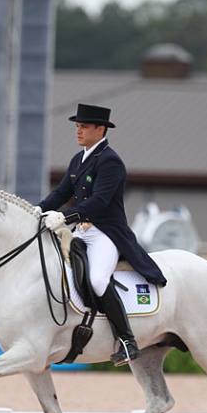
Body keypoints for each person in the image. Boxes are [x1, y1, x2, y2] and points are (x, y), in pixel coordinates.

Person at [36, 103, 167, 366]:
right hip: (82, 232)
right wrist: (37, 210)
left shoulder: (111, 161)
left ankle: (127, 341)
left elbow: (100, 201)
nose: (79, 131)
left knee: (97, 279)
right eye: (77, 126)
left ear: (100, 129)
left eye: (84, 127)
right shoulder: (79, 159)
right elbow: (61, 193)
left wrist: (65, 217)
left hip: (107, 232)